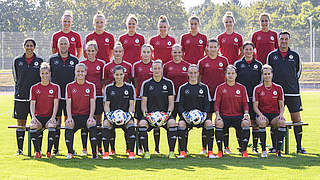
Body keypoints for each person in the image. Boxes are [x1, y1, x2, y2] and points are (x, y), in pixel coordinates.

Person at [267, 31, 306, 154]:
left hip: (293, 93)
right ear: (278, 40)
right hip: (276, 93)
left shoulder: (295, 55)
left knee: (296, 119)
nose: (283, 41)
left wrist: (292, 83)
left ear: (289, 40)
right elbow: (268, 72)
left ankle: (299, 147)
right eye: (281, 39)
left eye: (286, 39)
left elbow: (298, 72)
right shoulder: (272, 55)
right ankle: (275, 147)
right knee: (275, 118)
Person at [138, 60, 177, 159]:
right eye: (154, 68)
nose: (157, 70)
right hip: (150, 115)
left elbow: (171, 103)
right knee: (142, 124)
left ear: (162, 69)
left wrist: (167, 115)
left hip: (165, 115)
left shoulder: (168, 83)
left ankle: (171, 152)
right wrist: (147, 115)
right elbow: (143, 104)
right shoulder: (146, 84)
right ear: (151, 69)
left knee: (172, 123)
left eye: (159, 68)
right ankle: (146, 152)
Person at [12, 38, 44, 155]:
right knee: (21, 123)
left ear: (34, 47)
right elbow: (16, 78)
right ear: (24, 46)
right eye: (27, 45)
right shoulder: (17, 61)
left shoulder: (39, 61)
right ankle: (20, 150)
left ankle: (38, 150)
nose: (29, 48)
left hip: (35, 98)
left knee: (37, 122)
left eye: (31, 46)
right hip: (20, 97)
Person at [176, 65, 214, 158]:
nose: (193, 75)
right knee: (181, 124)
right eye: (191, 73)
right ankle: (183, 151)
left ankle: (210, 152)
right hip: (187, 116)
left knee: (209, 123)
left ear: (198, 74)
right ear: (188, 74)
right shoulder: (183, 88)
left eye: (195, 73)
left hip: (201, 116)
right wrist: (185, 116)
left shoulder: (204, 87)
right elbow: (180, 105)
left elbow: (207, 104)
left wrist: (204, 115)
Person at [198, 38, 228, 154]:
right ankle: (204, 148)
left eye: (215, 47)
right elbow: (199, 79)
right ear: (207, 48)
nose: (212, 49)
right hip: (207, 96)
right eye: (210, 47)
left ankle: (226, 147)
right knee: (207, 121)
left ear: (218, 48)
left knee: (223, 120)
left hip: (222, 96)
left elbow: (228, 77)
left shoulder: (224, 60)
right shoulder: (202, 62)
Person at [49, 36, 79, 155]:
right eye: (61, 44)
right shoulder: (52, 59)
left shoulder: (75, 60)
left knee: (69, 123)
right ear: (58, 45)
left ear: (68, 45)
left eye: (65, 44)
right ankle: (55, 149)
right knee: (56, 122)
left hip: (69, 98)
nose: (63, 46)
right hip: (56, 97)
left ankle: (69, 149)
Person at [214, 65, 251, 158]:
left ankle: (244, 150)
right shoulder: (220, 88)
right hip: (224, 116)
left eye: (232, 73)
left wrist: (246, 114)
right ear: (225, 75)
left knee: (246, 123)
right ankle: (220, 151)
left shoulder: (241, 88)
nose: (230, 75)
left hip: (238, 116)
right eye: (228, 73)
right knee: (218, 124)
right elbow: (217, 104)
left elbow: (245, 104)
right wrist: (217, 116)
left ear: (236, 75)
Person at [102, 65, 136, 160]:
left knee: (131, 124)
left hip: (126, 116)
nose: (119, 77)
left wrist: (129, 115)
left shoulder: (129, 87)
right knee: (105, 124)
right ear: (113, 75)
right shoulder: (108, 88)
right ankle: (106, 153)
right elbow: (107, 105)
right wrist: (109, 116)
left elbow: (131, 104)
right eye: (117, 75)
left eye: (121, 74)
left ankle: (131, 152)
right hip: (112, 116)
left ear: (124, 75)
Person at [234, 42, 263, 154]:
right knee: (241, 122)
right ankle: (241, 146)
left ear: (253, 50)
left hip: (254, 99)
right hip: (241, 98)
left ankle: (255, 147)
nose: (248, 51)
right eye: (246, 49)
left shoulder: (259, 65)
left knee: (255, 123)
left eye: (250, 49)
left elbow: (261, 82)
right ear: (243, 50)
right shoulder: (238, 64)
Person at [64, 63, 98, 159]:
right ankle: (70, 152)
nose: (80, 73)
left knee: (92, 124)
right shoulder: (69, 86)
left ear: (86, 72)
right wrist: (69, 117)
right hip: (74, 116)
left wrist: (91, 117)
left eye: (82, 71)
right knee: (68, 124)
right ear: (75, 72)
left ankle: (94, 153)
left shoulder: (91, 86)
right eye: (78, 71)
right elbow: (68, 103)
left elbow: (92, 103)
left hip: (87, 115)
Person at [253, 64, 286, 157]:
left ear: (272, 75)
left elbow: (281, 105)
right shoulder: (258, 88)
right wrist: (260, 114)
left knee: (282, 122)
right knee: (262, 122)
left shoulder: (278, 88)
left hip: (275, 115)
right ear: (262, 75)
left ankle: (278, 151)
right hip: (263, 114)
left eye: (269, 74)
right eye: (265, 74)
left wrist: (281, 114)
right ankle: (263, 150)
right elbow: (255, 106)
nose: (267, 76)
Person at [29, 62, 60, 158]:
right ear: (40, 74)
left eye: (46, 73)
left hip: (49, 117)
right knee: (33, 126)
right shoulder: (34, 88)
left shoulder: (55, 87)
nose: (44, 75)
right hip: (38, 117)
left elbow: (56, 104)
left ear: (50, 74)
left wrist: (53, 117)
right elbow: (32, 104)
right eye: (42, 73)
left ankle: (48, 152)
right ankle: (37, 152)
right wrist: (33, 117)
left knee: (52, 125)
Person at [163, 44, 189, 153]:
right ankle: (171, 149)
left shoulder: (187, 65)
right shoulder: (167, 66)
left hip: (184, 100)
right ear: (171, 53)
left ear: (182, 53)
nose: (177, 54)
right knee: (171, 124)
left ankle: (183, 148)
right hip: (171, 100)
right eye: (175, 52)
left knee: (185, 123)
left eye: (179, 52)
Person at [81, 40, 105, 156]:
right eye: (88, 51)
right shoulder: (82, 64)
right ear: (86, 52)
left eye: (93, 50)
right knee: (86, 121)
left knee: (98, 122)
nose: (91, 53)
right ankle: (84, 148)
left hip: (98, 96)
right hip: (85, 96)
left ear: (96, 51)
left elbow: (103, 80)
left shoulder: (101, 64)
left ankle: (99, 147)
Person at [132, 44, 154, 154]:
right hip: (140, 99)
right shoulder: (136, 66)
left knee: (156, 122)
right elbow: (135, 81)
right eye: (144, 52)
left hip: (153, 99)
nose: (146, 54)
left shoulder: (155, 65)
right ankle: (140, 148)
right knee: (139, 122)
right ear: (141, 54)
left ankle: (157, 148)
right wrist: (138, 94)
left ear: (151, 53)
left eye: (148, 52)